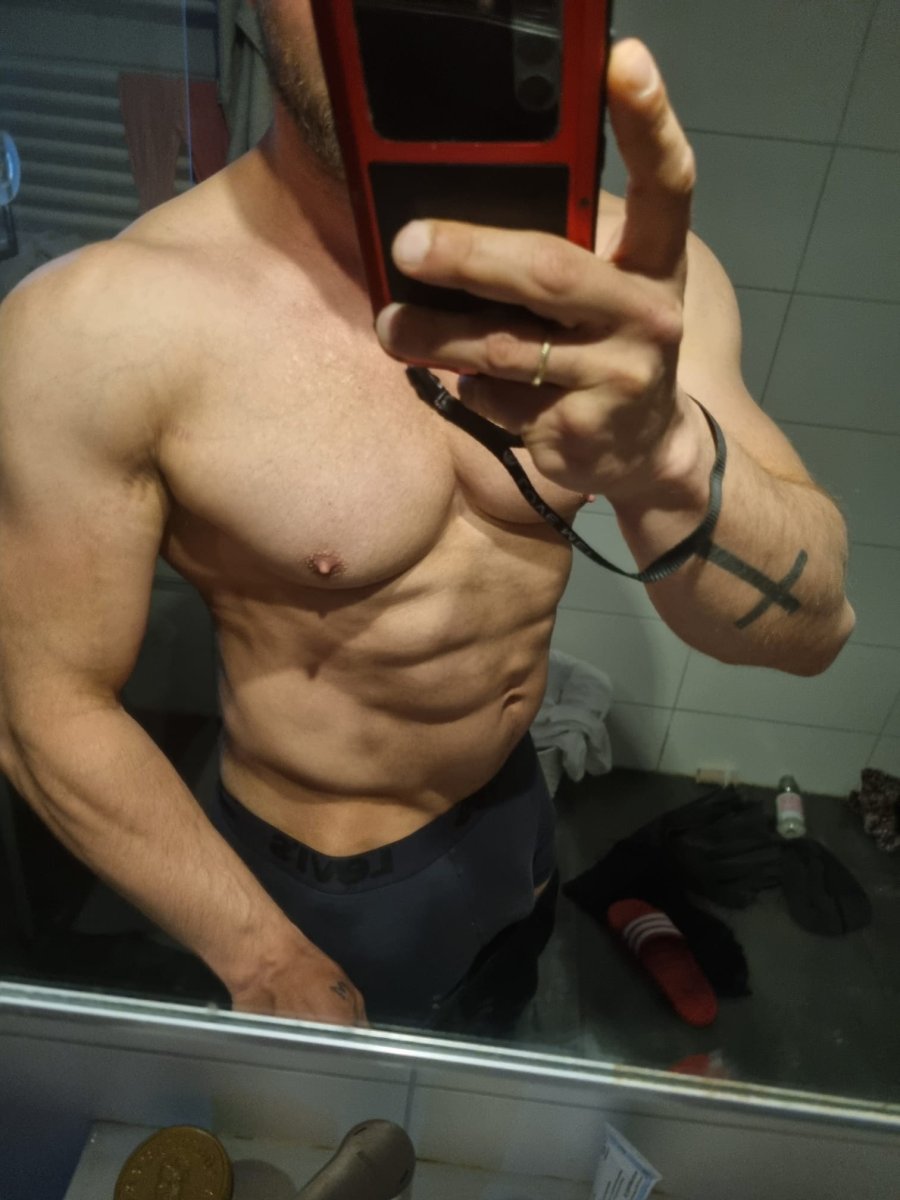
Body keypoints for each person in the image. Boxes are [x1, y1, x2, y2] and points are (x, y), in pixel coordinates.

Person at [0, 3, 854, 1031]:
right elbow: (40, 700)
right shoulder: (99, 324)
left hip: (513, 813)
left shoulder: (633, 279)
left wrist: (668, 454)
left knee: (498, 1050)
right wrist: (261, 956)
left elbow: (814, 632)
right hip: (312, 884)